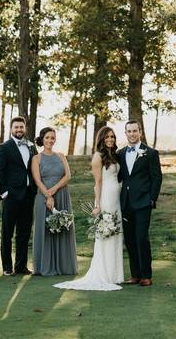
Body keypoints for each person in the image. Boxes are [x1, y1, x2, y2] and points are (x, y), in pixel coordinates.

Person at [55, 126, 124, 291]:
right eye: (107, 137)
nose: (110, 139)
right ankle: (105, 274)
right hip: (106, 197)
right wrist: (97, 205)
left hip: (117, 199)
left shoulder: (114, 155)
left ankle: (115, 275)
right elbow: (98, 182)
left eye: (112, 137)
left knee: (116, 234)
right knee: (106, 233)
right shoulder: (97, 157)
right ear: (101, 138)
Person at [117, 120, 163, 287]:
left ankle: (146, 275)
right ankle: (135, 274)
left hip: (143, 202)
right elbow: (119, 176)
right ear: (126, 133)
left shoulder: (150, 153)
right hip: (126, 203)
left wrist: (152, 198)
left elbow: (157, 177)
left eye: (135, 131)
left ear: (140, 132)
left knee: (141, 238)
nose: (132, 134)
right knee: (129, 239)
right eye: (129, 131)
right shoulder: (120, 153)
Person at [0, 115, 37, 276]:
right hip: (11, 196)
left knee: (24, 233)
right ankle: (7, 267)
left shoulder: (31, 147)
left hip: (28, 195)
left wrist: (35, 189)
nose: (19, 130)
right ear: (11, 129)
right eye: (16, 127)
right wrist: (4, 193)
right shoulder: (3, 147)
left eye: (21, 127)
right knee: (7, 233)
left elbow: (34, 169)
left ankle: (21, 266)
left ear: (25, 128)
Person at [31, 127, 77, 277]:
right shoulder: (36, 159)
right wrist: (48, 195)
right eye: (47, 138)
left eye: (52, 138)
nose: (50, 140)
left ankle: (64, 267)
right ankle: (44, 267)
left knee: (63, 229)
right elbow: (37, 180)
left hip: (61, 195)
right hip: (43, 197)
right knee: (45, 231)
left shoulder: (61, 156)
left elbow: (68, 176)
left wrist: (53, 190)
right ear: (42, 139)